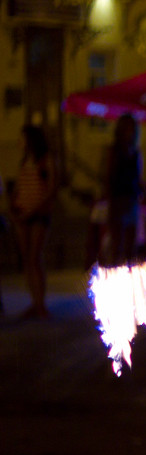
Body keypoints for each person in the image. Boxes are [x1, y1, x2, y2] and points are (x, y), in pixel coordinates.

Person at [10, 124, 57, 319]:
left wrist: (34, 209)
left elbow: (52, 188)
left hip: (38, 214)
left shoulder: (46, 160)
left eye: (22, 138)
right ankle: (34, 302)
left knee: (35, 257)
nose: (19, 142)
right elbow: (20, 186)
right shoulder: (24, 161)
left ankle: (40, 304)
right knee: (27, 260)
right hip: (22, 214)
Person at [104, 113, 144, 265]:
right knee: (117, 246)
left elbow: (138, 177)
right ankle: (116, 277)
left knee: (130, 247)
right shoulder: (114, 151)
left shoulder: (135, 152)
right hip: (118, 201)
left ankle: (126, 277)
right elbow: (109, 176)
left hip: (131, 201)